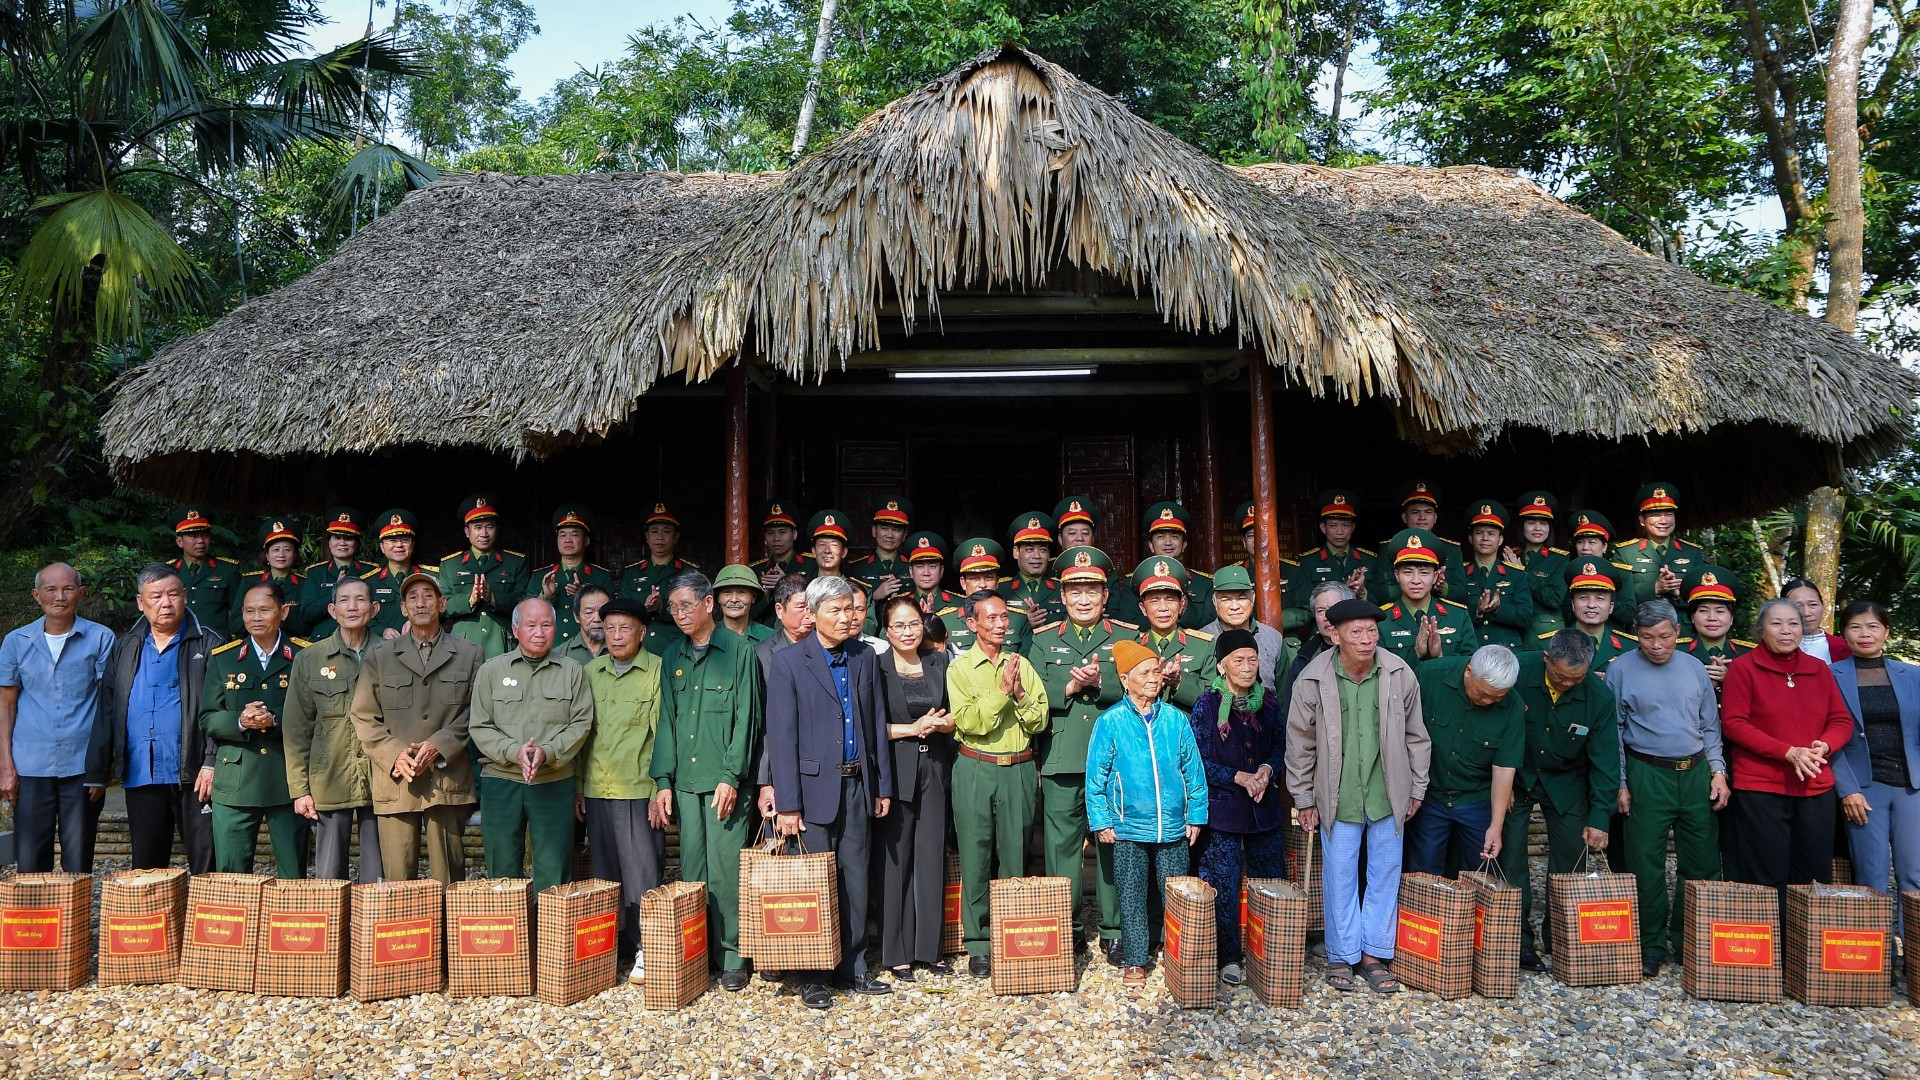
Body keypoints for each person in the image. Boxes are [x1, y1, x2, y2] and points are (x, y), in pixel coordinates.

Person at [763, 575, 897, 1008]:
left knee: (856, 876)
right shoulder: (788, 662)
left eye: (851, 610)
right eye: (836, 610)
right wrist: (788, 805)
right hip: (811, 789)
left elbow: (875, 724)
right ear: (813, 613)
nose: (846, 618)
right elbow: (781, 738)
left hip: (858, 783)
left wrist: (881, 785)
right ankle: (813, 972)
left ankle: (854, 965)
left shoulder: (864, 657)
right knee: (814, 882)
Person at [1286, 597, 1429, 994]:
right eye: (1357, 633)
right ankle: (1341, 954)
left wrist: (1417, 786)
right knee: (1339, 875)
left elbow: (1417, 735)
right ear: (1335, 635)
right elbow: (1299, 744)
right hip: (1337, 793)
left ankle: (1374, 954)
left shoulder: (1399, 673)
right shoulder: (1313, 679)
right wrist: (1303, 798)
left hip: (1388, 791)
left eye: (1371, 631)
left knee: (1385, 873)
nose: (1367, 640)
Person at [648, 571, 762, 991]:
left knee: (726, 871)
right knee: (692, 871)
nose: (679, 614)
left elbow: (747, 719)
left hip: (724, 781)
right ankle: (695, 951)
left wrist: (733, 776)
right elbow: (667, 723)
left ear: (708, 604)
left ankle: (732, 954)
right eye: (673, 607)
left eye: (686, 605)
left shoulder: (738, 651)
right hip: (686, 782)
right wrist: (662, 780)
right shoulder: (673, 657)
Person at [1608, 599, 1727, 977]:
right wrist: (1621, 783)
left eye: (1664, 636)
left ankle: (1691, 938)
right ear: (1636, 636)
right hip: (1648, 772)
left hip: (1695, 772)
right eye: (1647, 638)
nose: (1657, 645)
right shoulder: (1621, 670)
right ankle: (1650, 944)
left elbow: (1710, 726)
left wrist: (1718, 772)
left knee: (1703, 863)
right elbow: (1613, 734)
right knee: (1645, 863)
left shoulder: (1694, 668)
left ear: (1678, 632)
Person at [1024, 547, 1126, 960]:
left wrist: (1102, 684)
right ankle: (1067, 928)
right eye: (1075, 591)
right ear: (1062, 597)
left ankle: (1115, 929)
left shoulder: (1124, 637)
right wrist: (1067, 687)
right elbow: (1029, 692)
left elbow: (1143, 686)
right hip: (1062, 759)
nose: (1084, 599)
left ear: (1105, 596)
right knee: (1061, 851)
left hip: (1114, 762)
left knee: (1113, 847)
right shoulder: (1044, 639)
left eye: (1092, 590)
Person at [349, 571, 483, 884]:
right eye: (412, 597)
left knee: (449, 876)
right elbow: (363, 714)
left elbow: (476, 711)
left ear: (442, 603)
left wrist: (440, 745)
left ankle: (448, 934)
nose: (420, 602)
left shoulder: (469, 653)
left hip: (446, 777)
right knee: (398, 876)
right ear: (404, 609)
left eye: (428, 595)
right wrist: (395, 754)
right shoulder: (379, 655)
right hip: (397, 778)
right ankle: (403, 935)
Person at [1087, 638, 1208, 986]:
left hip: (1172, 825)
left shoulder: (1174, 720)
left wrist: (1195, 814)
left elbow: (1192, 771)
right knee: (1132, 894)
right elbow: (1096, 777)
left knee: (1176, 894)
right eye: (1144, 672)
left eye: (1156, 670)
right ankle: (1136, 960)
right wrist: (1102, 820)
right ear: (1125, 679)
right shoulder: (1110, 722)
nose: (1154, 678)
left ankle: (1179, 956)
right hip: (1127, 826)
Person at [1721, 597, 1852, 904]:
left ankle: (1803, 946)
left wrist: (1827, 743)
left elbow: (1841, 719)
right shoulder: (1743, 668)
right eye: (1776, 623)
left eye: (1793, 623)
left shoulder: (1819, 670)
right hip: (1762, 785)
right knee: (1766, 871)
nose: (1785, 631)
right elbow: (1735, 724)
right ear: (1761, 629)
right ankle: (1772, 946)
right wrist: (1788, 752)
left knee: (1813, 872)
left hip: (1815, 786)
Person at [1503, 630, 1619, 969]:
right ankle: (1518, 941)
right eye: (1560, 677)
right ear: (1545, 659)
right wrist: (1500, 783)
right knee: (1510, 860)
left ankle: (1562, 936)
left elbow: (1606, 760)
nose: (1567, 684)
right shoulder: (1517, 672)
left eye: (1576, 679)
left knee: (1571, 860)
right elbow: (1493, 725)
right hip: (1517, 774)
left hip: (1567, 782)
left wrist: (1600, 817)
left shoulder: (1598, 697)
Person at [948, 590, 1049, 977]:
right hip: (975, 767)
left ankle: (1012, 934)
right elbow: (970, 722)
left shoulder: (1022, 664)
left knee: (1015, 853)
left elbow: (1039, 720)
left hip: (1019, 767)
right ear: (972, 624)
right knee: (975, 852)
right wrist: (1003, 695)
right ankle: (978, 942)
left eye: (1004, 617)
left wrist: (1021, 694)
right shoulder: (959, 669)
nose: (1000, 625)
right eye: (990, 618)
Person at [469, 598, 594, 893]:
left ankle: (549, 935)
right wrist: (513, 752)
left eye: (546, 625)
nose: (539, 632)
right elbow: (479, 725)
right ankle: (510, 936)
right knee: (502, 870)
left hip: (553, 781)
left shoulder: (572, 671)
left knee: (554, 870)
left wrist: (547, 752)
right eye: (531, 625)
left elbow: (580, 723)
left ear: (555, 628)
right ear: (515, 629)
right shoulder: (492, 671)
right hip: (502, 781)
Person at [106, 564, 223, 872]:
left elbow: (222, 709)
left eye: (173, 594)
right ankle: (154, 920)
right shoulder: (126, 645)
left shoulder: (209, 643)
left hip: (195, 774)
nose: (166, 603)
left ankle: (208, 921)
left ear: (185, 596)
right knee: (146, 866)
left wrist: (211, 761)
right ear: (141, 602)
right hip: (142, 771)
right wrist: (99, 768)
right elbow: (108, 706)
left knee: (206, 864)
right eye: (156, 596)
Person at [1187, 629, 1287, 987]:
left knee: (1271, 881)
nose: (1247, 667)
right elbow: (1197, 760)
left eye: (1253, 660)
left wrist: (1265, 769)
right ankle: (1228, 955)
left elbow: (1279, 747)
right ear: (1222, 665)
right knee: (1223, 886)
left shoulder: (1270, 702)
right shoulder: (1207, 705)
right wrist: (1238, 776)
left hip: (1264, 807)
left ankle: (1272, 951)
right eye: (1239, 661)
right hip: (1224, 810)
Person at [0, 563, 114, 873]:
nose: (59, 596)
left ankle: (73, 921)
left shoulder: (100, 638)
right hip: (30, 765)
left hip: (82, 764)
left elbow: (109, 706)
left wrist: (102, 766)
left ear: (81, 593)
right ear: (37, 595)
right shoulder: (16, 642)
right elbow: (6, 705)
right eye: (50, 589)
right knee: (30, 859)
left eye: (67, 588)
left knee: (78, 859)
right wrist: (5, 765)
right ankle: (34, 922)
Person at [578, 597, 666, 985]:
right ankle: (614, 948)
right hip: (597, 788)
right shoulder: (591, 672)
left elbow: (662, 735)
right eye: (609, 628)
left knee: (642, 874)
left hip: (637, 788)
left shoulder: (656, 671)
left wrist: (658, 788)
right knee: (607, 874)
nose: (615, 636)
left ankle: (648, 946)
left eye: (624, 628)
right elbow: (584, 735)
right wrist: (580, 786)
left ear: (642, 632)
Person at [200, 580, 308, 877]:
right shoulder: (223, 658)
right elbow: (208, 716)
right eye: (249, 611)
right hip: (236, 779)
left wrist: (274, 719)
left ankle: (291, 924)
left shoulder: (304, 656)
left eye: (264, 610)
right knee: (232, 874)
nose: (256, 617)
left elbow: (313, 713)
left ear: (283, 612)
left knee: (293, 875)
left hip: (287, 778)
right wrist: (239, 720)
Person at [874, 594, 956, 980]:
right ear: (886, 630)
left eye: (914, 624)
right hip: (896, 768)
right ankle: (896, 952)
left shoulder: (939, 661)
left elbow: (958, 713)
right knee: (897, 861)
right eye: (899, 626)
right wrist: (912, 728)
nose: (908, 632)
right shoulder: (876, 668)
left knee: (931, 856)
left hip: (936, 767)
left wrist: (944, 724)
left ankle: (930, 948)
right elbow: (870, 726)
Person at [281, 576, 382, 882]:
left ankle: (372, 929)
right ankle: (332, 930)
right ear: (332, 610)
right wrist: (299, 790)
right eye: (344, 601)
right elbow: (296, 728)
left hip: (382, 781)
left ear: (374, 608)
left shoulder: (392, 654)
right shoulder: (310, 658)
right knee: (329, 878)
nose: (352, 607)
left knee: (379, 876)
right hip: (329, 779)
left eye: (361, 600)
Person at [1403, 645, 1522, 877]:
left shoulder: (1513, 706)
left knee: (1482, 871)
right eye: (1482, 693)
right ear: (1468, 671)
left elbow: (1504, 768)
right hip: (1429, 795)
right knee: (1422, 873)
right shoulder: (1429, 675)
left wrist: (1496, 827)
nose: (1487, 701)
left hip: (1475, 797)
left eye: (1496, 698)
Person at [1831, 600, 1920, 894]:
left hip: (1912, 786)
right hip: (1863, 788)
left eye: (1873, 626)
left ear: (1886, 631)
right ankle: (1876, 941)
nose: (1864, 634)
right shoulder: (1830, 676)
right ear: (1844, 633)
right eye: (1855, 627)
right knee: (1871, 876)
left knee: (1914, 875)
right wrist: (1847, 789)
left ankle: (1912, 940)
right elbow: (1827, 736)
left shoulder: (1913, 675)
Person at [438, 493, 530, 659]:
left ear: (497, 529)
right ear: (467, 531)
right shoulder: (450, 565)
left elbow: (523, 601)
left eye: (489, 526)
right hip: (463, 646)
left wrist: (492, 598)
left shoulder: (515, 562)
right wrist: (470, 599)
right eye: (478, 527)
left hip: (503, 645)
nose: (484, 533)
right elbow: (441, 606)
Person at [1375, 529, 1475, 667]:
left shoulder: (1458, 616)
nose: (1416, 580)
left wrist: (1440, 656)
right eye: (1408, 572)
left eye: (1424, 573)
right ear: (1397, 575)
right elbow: (1379, 672)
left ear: (1435, 576)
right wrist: (1415, 653)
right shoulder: (1381, 620)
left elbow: (1472, 668)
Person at [1614, 483, 1704, 633]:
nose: (1663, 520)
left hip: (1684, 633)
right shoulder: (1625, 553)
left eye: (1669, 514)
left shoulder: (1692, 552)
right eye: (1655, 514)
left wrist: (1678, 593)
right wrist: (1655, 589)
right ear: (1642, 520)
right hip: (1642, 632)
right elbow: (1618, 602)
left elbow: (1704, 600)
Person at [1131, 557, 1212, 711]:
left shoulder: (1203, 646)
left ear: (1182, 605)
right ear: (1143, 608)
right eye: (1154, 601)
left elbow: (1213, 700)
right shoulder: (1134, 645)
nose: (1163, 608)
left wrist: (1179, 681)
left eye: (1170, 600)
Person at [1450, 502, 1534, 650]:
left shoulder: (1515, 573)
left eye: (1491, 533)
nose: (1485, 538)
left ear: (1500, 540)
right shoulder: (1459, 573)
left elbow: (1525, 617)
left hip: (1507, 651)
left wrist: (1499, 608)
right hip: (1472, 650)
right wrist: (1477, 610)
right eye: (1479, 532)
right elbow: (1450, 616)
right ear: (1470, 538)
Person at [1198, 565, 1291, 695]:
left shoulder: (1272, 637)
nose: (1235, 606)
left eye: (1242, 598)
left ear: (1252, 597)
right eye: (1226, 599)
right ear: (1214, 601)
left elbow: (1285, 693)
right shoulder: (1201, 640)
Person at [1369, 480, 1465, 605]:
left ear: (1435, 517)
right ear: (1404, 517)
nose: (1422, 517)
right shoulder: (1388, 548)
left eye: (1428, 512)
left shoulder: (1451, 549)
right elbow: (1384, 594)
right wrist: (1424, 587)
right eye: (1415, 512)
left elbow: (1462, 594)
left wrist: (1442, 588)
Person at [533, 504, 616, 643]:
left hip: (588, 646)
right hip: (551, 646)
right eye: (563, 535)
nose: (568, 540)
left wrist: (584, 595)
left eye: (574, 534)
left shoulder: (601, 576)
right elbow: (528, 615)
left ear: (586, 541)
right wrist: (546, 596)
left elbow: (611, 615)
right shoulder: (540, 576)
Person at [941, 539, 1033, 653]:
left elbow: (1026, 664)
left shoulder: (1018, 619)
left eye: (989, 577)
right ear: (963, 583)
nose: (983, 584)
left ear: (997, 581)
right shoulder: (945, 621)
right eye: (975, 578)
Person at [299, 508, 378, 641]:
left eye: (348, 538)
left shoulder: (371, 571)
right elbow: (307, 614)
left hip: (363, 638)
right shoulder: (316, 573)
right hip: (324, 639)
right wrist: (335, 589)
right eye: (337, 538)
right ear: (329, 542)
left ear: (357, 543)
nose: (342, 543)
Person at [1131, 502, 1212, 628]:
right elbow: (1129, 624)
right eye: (1160, 537)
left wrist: (1184, 609)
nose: (1168, 543)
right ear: (1151, 545)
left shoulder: (1205, 583)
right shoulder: (1133, 582)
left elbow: (1209, 624)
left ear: (1184, 544)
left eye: (1174, 537)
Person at [1232, 500, 1306, 635]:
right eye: (1251, 535)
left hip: (1286, 642)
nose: (1258, 540)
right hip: (1246, 640)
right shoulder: (1235, 573)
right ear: (1244, 543)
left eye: (1263, 534)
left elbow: (1306, 611)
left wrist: (1270, 620)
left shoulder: (1293, 571)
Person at [169, 505, 240, 638]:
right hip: (179, 641)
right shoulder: (169, 571)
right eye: (193, 536)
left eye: (205, 535)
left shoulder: (227, 570)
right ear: (180, 541)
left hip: (216, 644)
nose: (201, 541)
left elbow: (239, 613)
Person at [363, 509, 435, 639]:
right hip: (383, 648)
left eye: (405, 539)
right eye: (392, 540)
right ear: (382, 547)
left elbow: (444, 609)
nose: (399, 545)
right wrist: (382, 631)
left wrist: (420, 620)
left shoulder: (431, 577)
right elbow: (362, 615)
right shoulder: (368, 582)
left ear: (412, 544)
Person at [1678, 565, 1754, 690]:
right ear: (1692, 617)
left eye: (1720, 611)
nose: (1712, 617)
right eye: (1703, 611)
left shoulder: (1749, 654)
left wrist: (1731, 679)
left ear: (1732, 617)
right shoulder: (1677, 652)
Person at [621, 501, 699, 622]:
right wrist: (644, 609)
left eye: (666, 531)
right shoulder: (631, 573)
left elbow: (696, 613)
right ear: (647, 536)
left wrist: (662, 607)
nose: (660, 537)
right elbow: (622, 614)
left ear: (676, 537)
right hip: (639, 639)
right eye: (654, 531)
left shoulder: (689, 572)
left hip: (676, 640)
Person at [1560, 559, 1637, 675]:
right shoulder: (1553, 644)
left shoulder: (1630, 647)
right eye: (1583, 597)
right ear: (1573, 604)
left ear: (1611, 607)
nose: (1591, 605)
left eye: (1600, 598)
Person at [1294, 489, 1373, 601]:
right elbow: (1305, 603)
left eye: (1345, 525)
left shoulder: (1369, 560)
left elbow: (1381, 601)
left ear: (1353, 527)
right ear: (1323, 527)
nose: (1340, 532)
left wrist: (1362, 593)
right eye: (1333, 526)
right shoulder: (1308, 562)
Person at [1282, 582, 1355, 703]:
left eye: (1333, 608)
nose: (1327, 616)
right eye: (1320, 611)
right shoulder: (1304, 661)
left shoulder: (1366, 650)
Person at [234, 519, 308, 637]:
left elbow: (306, 626)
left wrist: (275, 615)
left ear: (294, 556)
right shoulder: (250, 582)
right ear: (267, 555)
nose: (281, 555)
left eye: (287, 550)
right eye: (276, 549)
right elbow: (235, 623)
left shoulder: (305, 584)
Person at [1513, 492, 1569, 641]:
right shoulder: (1510, 555)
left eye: (1543, 523)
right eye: (1531, 522)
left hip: (1546, 637)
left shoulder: (1560, 559)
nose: (1537, 528)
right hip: (1513, 633)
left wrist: (1522, 573)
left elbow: (1554, 598)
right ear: (1522, 526)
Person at [1001, 511, 1065, 627]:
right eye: (1029, 549)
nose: (1037, 556)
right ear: (1016, 552)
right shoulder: (1001, 590)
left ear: (1049, 554)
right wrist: (1024, 622)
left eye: (1043, 550)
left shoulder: (1062, 589)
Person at [850, 496, 914, 604]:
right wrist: (874, 595)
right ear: (874, 531)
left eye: (896, 530)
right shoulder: (857, 569)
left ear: (904, 535)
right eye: (884, 528)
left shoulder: (913, 567)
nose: (889, 535)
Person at [1781, 577, 1851, 663]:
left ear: (1822, 606)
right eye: (1797, 606)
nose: (1807, 613)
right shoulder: (1775, 646)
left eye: (1813, 605)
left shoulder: (1844, 646)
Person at [749, 499, 806, 600]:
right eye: (770, 533)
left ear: (794, 534)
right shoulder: (756, 570)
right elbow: (750, 612)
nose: (776, 538)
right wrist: (766, 593)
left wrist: (786, 583)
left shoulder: (811, 565)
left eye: (782, 532)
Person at [901, 532, 961, 618]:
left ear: (941, 570)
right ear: (911, 571)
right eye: (920, 567)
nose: (926, 573)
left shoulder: (959, 603)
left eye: (932, 566)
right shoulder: (899, 603)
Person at [714, 564, 773, 643]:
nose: (734, 599)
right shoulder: (708, 636)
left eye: (742, 592)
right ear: (718, 598)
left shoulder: (770, 638)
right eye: (727, 592)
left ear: (753, 597)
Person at [558, 585, 613, 667]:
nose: (597, 619)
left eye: (602, 612)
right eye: (589, 613)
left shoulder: (621, 649)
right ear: (577, 617)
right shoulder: (560, 654)